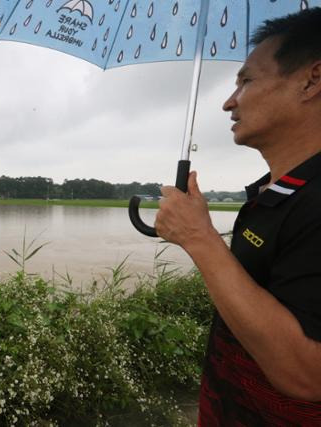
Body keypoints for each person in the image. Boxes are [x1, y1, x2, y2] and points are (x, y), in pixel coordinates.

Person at [154, 7, 321, 426]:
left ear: (311, 80)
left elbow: (306, 374)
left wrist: (198, 237)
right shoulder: (275, 192)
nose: (229, 102)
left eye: (246, 80)